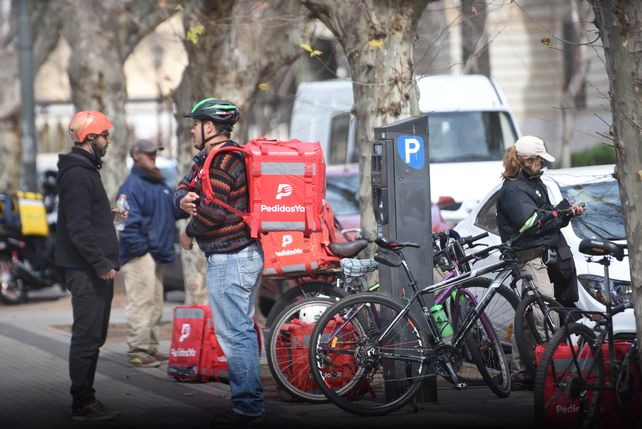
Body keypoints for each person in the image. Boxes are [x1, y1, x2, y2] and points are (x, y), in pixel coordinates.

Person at [174, 98, 264, 427]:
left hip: (232, 257)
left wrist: (189, 230)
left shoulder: (223, 162)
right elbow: (183, 189)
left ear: (208, 127)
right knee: (239, 330)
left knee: (234, 334)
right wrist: (183, 200)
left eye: (194, 126)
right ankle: (250, 401)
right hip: (238, 256)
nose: (191, 132)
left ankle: (248, 407)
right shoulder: (208, 160)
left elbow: (213, 212)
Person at [496, 135, 585, 385]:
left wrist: (565, 213)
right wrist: (561, 212)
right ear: (527, 160)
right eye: (540, 161)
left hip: (542, 257)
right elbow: (532, 224)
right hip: (529, 259)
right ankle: (553, 375)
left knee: (528, 315)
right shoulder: (513, 189)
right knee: (546, 315)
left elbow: (546, 216)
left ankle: (521, 371)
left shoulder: (535, 183)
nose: (543, 165)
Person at [55, 110, 124, 422]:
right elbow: (78, 228)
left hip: (91, 268)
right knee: (86, 336)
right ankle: (82, 403)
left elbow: (84, 217)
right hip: (86, 271)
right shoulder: (79, 174)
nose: (107, 141)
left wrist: (105, 215)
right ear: (90, 137)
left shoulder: (84, 170)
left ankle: (86, 399)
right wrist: (99, 263)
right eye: (105, 135)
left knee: (94, 336)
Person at [117, 139, 185, 368]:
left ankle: (150, 348)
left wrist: (186, 203)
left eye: (155, 152)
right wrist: (142, 250)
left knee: (155, 303)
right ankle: (138, 351)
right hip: (140, 256)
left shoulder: (157, 184)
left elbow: (171, 213)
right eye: (149, 153)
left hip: (154, 253)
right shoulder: (130, 187)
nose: (153, 155)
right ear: (136, 155)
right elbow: (122, 224)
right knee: (142, 302)